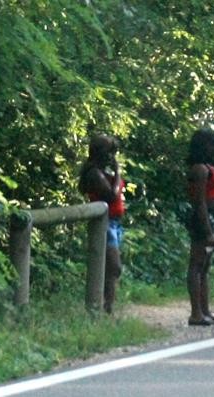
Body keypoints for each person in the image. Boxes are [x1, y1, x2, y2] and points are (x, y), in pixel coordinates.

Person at [78, 134, 126, 314]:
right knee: (114, 266)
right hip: (104, 224)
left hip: (114, 222)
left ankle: (108, 308)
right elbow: (111, 195)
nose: (112, 156)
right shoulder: (95, 174)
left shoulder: (103, 171)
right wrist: (118, 173)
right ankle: (102, 306)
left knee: (111, 270)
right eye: (109, 152)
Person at [185, 128, 214, 326]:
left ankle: (205, 310)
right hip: (203, 219)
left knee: (205, 266)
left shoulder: (208, 167)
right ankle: (196, 312)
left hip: (212, 217)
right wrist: (208, 231)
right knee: (196, 264)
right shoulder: (199, 170)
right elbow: (199, 201)